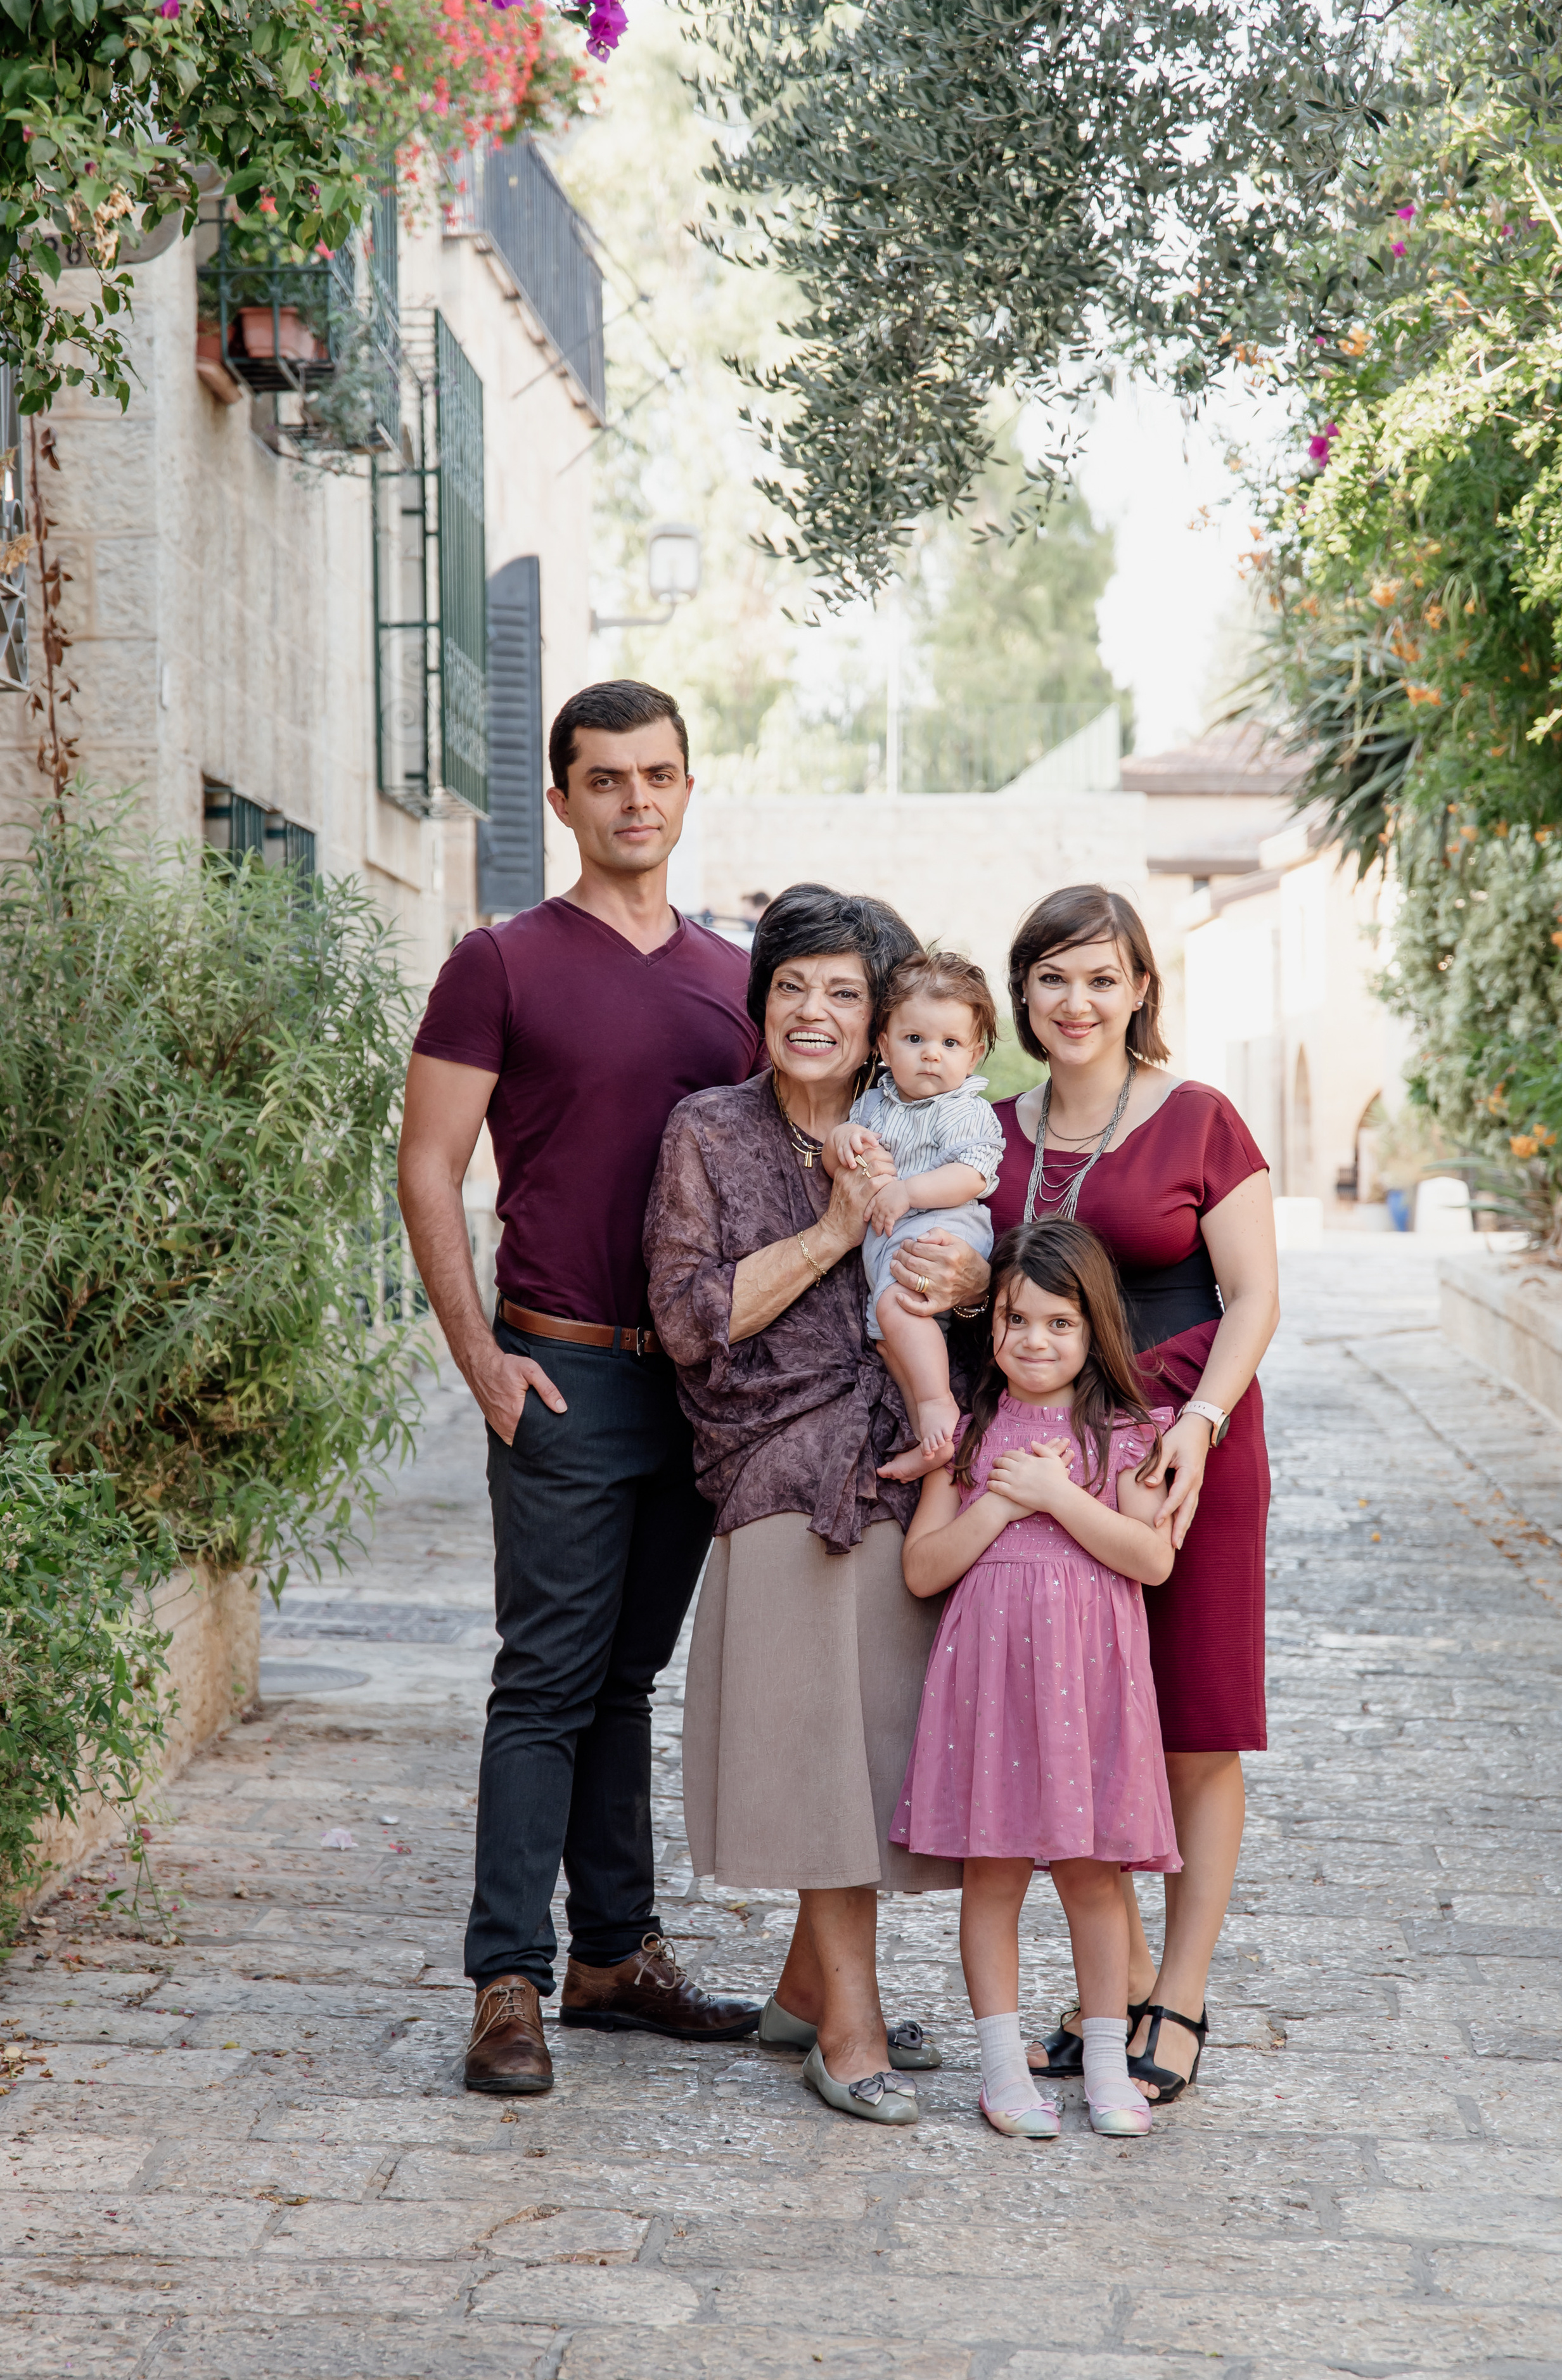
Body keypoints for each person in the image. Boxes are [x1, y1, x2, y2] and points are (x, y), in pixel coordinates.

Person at [397, 679, 764, 2099]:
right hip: (553, 1371)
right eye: (602, 778)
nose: (632, 800)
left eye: (656, 774)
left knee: (625, 1680)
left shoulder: (735, 986)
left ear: (686, 789)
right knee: (543, 1682)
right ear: (559, 800)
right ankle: (509, 1980)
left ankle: (616, 1954)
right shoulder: (500, 962)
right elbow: (429, 1162)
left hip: (688, 1389)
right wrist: (479, 1358)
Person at [886, 884, 1279, 2104]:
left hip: (1182, 1440)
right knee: (1089, 1714)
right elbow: (984, 1290)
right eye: (1053, 977)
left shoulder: (1202, 1117)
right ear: (1023, 994)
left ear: (1141, 989)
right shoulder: (992, 1132)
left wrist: (1201, 1429)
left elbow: (1255, 1298)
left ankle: (1181, 1997)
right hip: (1047, 1448)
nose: (1077, 1000)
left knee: (1192, 1726)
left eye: (1102, 977)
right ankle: (1118, 1980)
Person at [644, 884, 961, 2132]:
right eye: (791, 987)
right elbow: (689, 1318)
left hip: (894, 1460)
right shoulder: (709, 1133)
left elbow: (981, 1269)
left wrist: (970, 1264)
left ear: (880, 1014)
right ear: (759, 999)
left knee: (870, 1746)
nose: (814, 1012)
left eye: (842, 991)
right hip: (773, 1464)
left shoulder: (927, 1125)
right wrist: (838, 1226)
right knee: (821, 1750)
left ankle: (800, 1986)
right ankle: (849, 2024)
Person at [893, 1220, 1178, 2141]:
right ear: (994, 1325)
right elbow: (923, 1568)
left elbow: (1151, 1555)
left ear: (1095, 1328)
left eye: (1060, 1322)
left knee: (1096, 1877)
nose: (1036, 1339)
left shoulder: (1129, 1433)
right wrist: (1005, 1500)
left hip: (1091, 1690)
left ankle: (1104, 2060)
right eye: (1017, 1318)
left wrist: (1061, 1496)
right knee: (996, 1874)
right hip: (994, 1694)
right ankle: (1004, 2069)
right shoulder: (970, 1431)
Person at [821, 950, 1003, 1480]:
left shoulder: (963, 1108)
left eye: (950, 1044)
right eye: (915, 1039)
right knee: (886, 1332)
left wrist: (907, 1191)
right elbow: (839, 1164)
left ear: (974, 1055)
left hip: (942, 1227)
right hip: (891, 1239)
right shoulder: (874, 1104)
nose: (931, 1056)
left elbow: (973, 1173)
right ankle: (935, 1431)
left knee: (901, 1307)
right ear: (882, 1045)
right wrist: (841, 1140)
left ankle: (937, 1404)